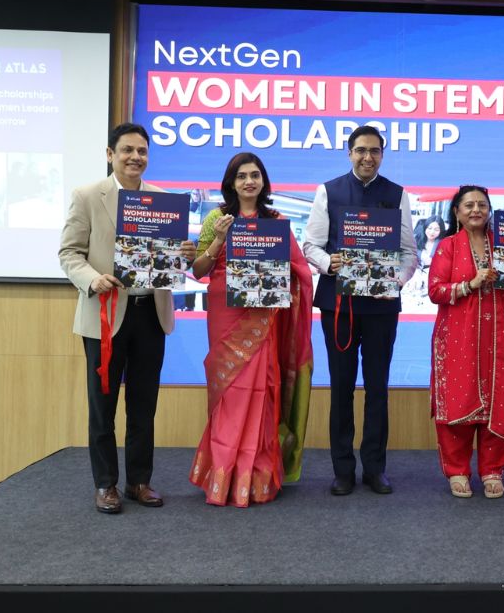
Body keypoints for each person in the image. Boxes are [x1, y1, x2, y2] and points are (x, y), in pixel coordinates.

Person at [59, 122, 197, 514]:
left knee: (143, 405)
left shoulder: (164, 201)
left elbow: (170, 262)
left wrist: (183, 255)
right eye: (127, 150)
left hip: (150, 314)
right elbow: (69, 253)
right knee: (102, 405)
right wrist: (92, 279)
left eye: (142, 151)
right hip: (105, 315)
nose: (135, 157)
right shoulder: (87, 196)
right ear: (110, 154)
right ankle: (106, 484)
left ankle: (139, 481)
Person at [188, 152, 314, 507]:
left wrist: (282, 277)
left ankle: (255, 477)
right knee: (230, 390)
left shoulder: (276, 222)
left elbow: (299, 270)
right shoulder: (216, 218)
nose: (248, 181)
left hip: (262, 317)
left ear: (263, 181)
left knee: (261, 389)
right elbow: (198, 269)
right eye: (242, 176)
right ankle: (222, 474)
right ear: (231, 182)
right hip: (226, 314)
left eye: (254, 175)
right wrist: (218, 240)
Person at [302, 125, 417, 495]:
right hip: (339, 305)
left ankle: (375, 469)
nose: (368, 157)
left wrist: (397, 280)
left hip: (382, 306)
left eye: (375, 151)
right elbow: (310, 245)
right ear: (349, 152)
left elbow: (409, 253)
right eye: (361, 150)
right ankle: (342, 470)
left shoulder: (397, 194)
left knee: (378, 387)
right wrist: (328, 263)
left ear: (382, 154)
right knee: (341, 388)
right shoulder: (329, 190)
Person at [427, 185, 504, 499]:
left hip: (503, 335)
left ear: (489, 211)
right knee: (458, 399)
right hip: (460, 337)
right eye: (468, 205)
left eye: (482, 205)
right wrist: (470, 284)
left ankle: (493, 470)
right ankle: (457, 470)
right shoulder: (447, 246)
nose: (476, 210)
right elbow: (435, 291)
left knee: (501, 400)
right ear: (457, 212)